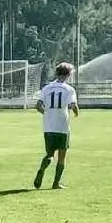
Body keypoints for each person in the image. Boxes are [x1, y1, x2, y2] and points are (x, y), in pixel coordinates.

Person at [34, 62, 79, 190]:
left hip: (48, 126)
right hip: (62, 126)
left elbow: (38, 106)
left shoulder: (47, 88)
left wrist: (47, 114)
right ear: (68, 74)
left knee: (49, 154)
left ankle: (42, 169)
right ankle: (56, 183)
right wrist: (76, 113)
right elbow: (72, 105)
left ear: (56, 73)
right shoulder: (69, 89)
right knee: (62, 155)